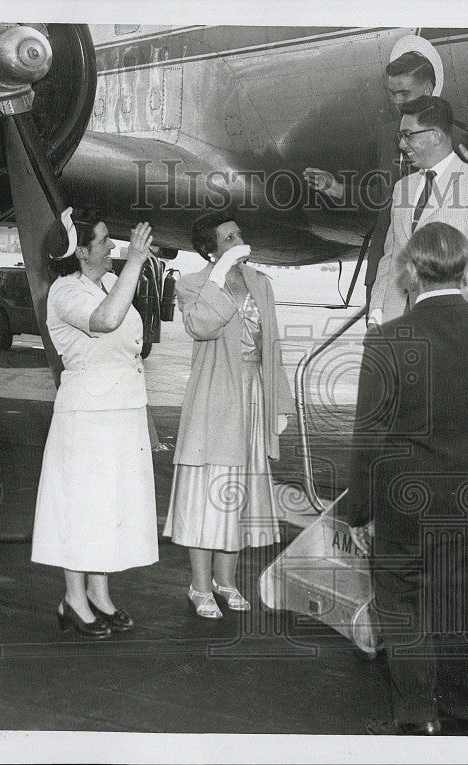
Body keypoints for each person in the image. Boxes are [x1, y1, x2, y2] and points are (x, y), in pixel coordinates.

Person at [345, 222, 468, 735]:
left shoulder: (386, 340)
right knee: (467, 599)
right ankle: (467, 712)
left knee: (404, 603)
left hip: (406, 495)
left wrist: (356, 510)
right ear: (465, 268)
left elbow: (368, 437)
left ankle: (418, 714)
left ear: (409, 270)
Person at [31, 213, 160, 640]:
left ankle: (100, 594)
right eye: (103, 241)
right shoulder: (65, 292)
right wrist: (137, 264)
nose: (112, 247)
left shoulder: (106, 284)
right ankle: (74, 599)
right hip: (88, 417)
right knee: (82, 507)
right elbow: (105, 321)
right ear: (80, 252)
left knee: (110, 506)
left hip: (122, 413)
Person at [163, 211, 295, 619]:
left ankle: (226, 580)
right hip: (215, 398)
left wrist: (279, 402)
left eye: (238, 233)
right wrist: (218, 274)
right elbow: (201, 326)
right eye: (227, 237)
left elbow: (270, 345)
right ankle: (200, 587)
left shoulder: (261, 283)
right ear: (210, 248)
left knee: (240, 493)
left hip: (253, 393)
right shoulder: (191, 285)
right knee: (208, 492)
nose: (238, 240)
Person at [369, 95, 468, 327]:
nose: (401, 144)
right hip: (400, 324)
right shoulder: (402, 187)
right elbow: (392, 256)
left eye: (408, 135)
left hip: (459, 325)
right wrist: (377, 314)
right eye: (400, 136)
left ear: (435, 135)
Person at [303, 51, 437, 310]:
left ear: (429, 89)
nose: (397, 101)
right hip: (387, 272)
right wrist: (337, 188)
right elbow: (383, 197)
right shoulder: (388, 135)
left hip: (434, 274)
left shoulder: (456, 135)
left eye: (405, 94)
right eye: (392, 93)